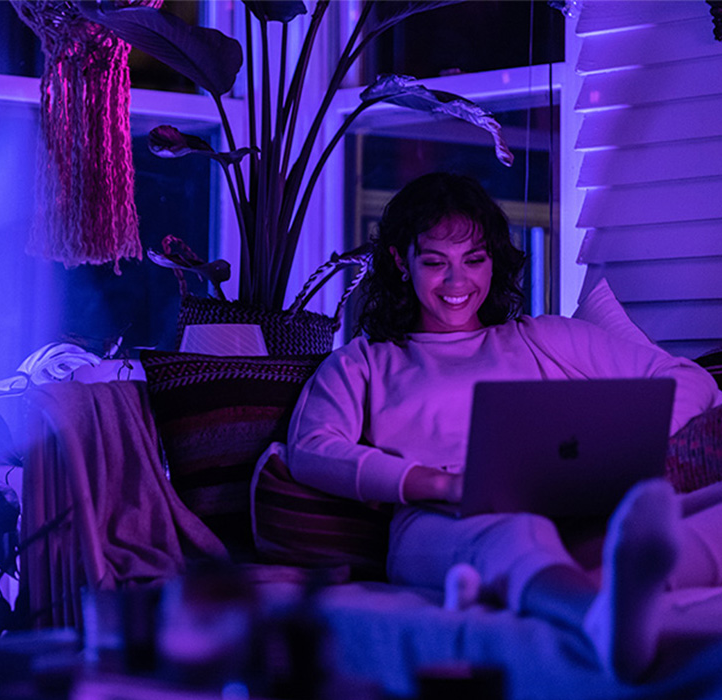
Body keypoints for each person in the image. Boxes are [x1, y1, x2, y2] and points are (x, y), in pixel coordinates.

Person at [286, 172, 722, 682]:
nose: (457, 283)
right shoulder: (365, 361)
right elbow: (311, 448)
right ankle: (596, 618)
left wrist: (631, 447)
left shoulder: (545, 338)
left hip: (573, 506)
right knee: (518, 529)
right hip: (439, 522)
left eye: (474, 260)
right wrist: (440, 482)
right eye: (435, 263)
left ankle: (613, 588)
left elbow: (685, 378)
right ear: (400, 262)